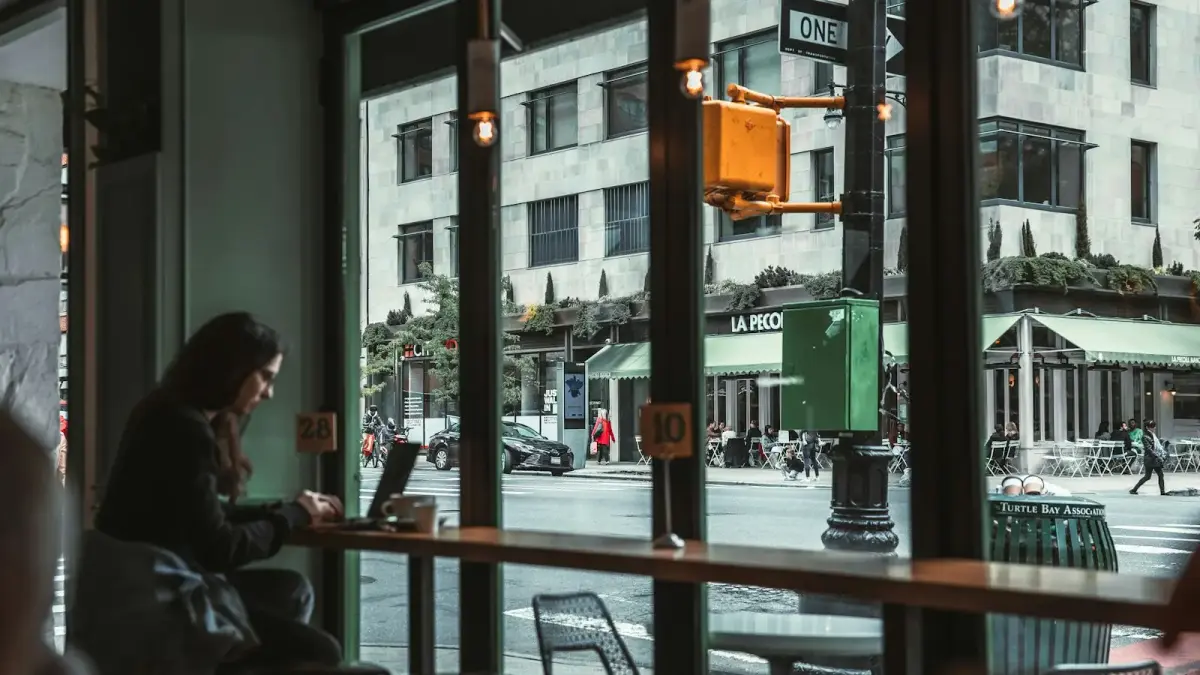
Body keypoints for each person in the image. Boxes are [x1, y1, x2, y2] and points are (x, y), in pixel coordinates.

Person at [94, 312, 345, 669]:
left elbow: (199, 514)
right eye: (266, 377)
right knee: (322, 652)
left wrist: (288, 510)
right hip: (165, 601)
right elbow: (219, 548)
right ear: (235, 368)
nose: (270, 393)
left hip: (133, 591)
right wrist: (294, 515)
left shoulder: (163, 411)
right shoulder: (185, 428)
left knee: (291, 589)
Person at [1130, 419, 1167, 495]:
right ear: (1147, 427)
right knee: (1149, 476)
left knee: (1155, 475)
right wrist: (1157, 457)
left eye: (1154, 426)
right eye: (1152, 426)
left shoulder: (1153, 435)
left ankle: (1134, 490)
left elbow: (1156, 446)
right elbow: (1149, 449)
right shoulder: (1145, 437)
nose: (1154, 428)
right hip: (1150, 459)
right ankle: (1134, 490)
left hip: (1153, 458)